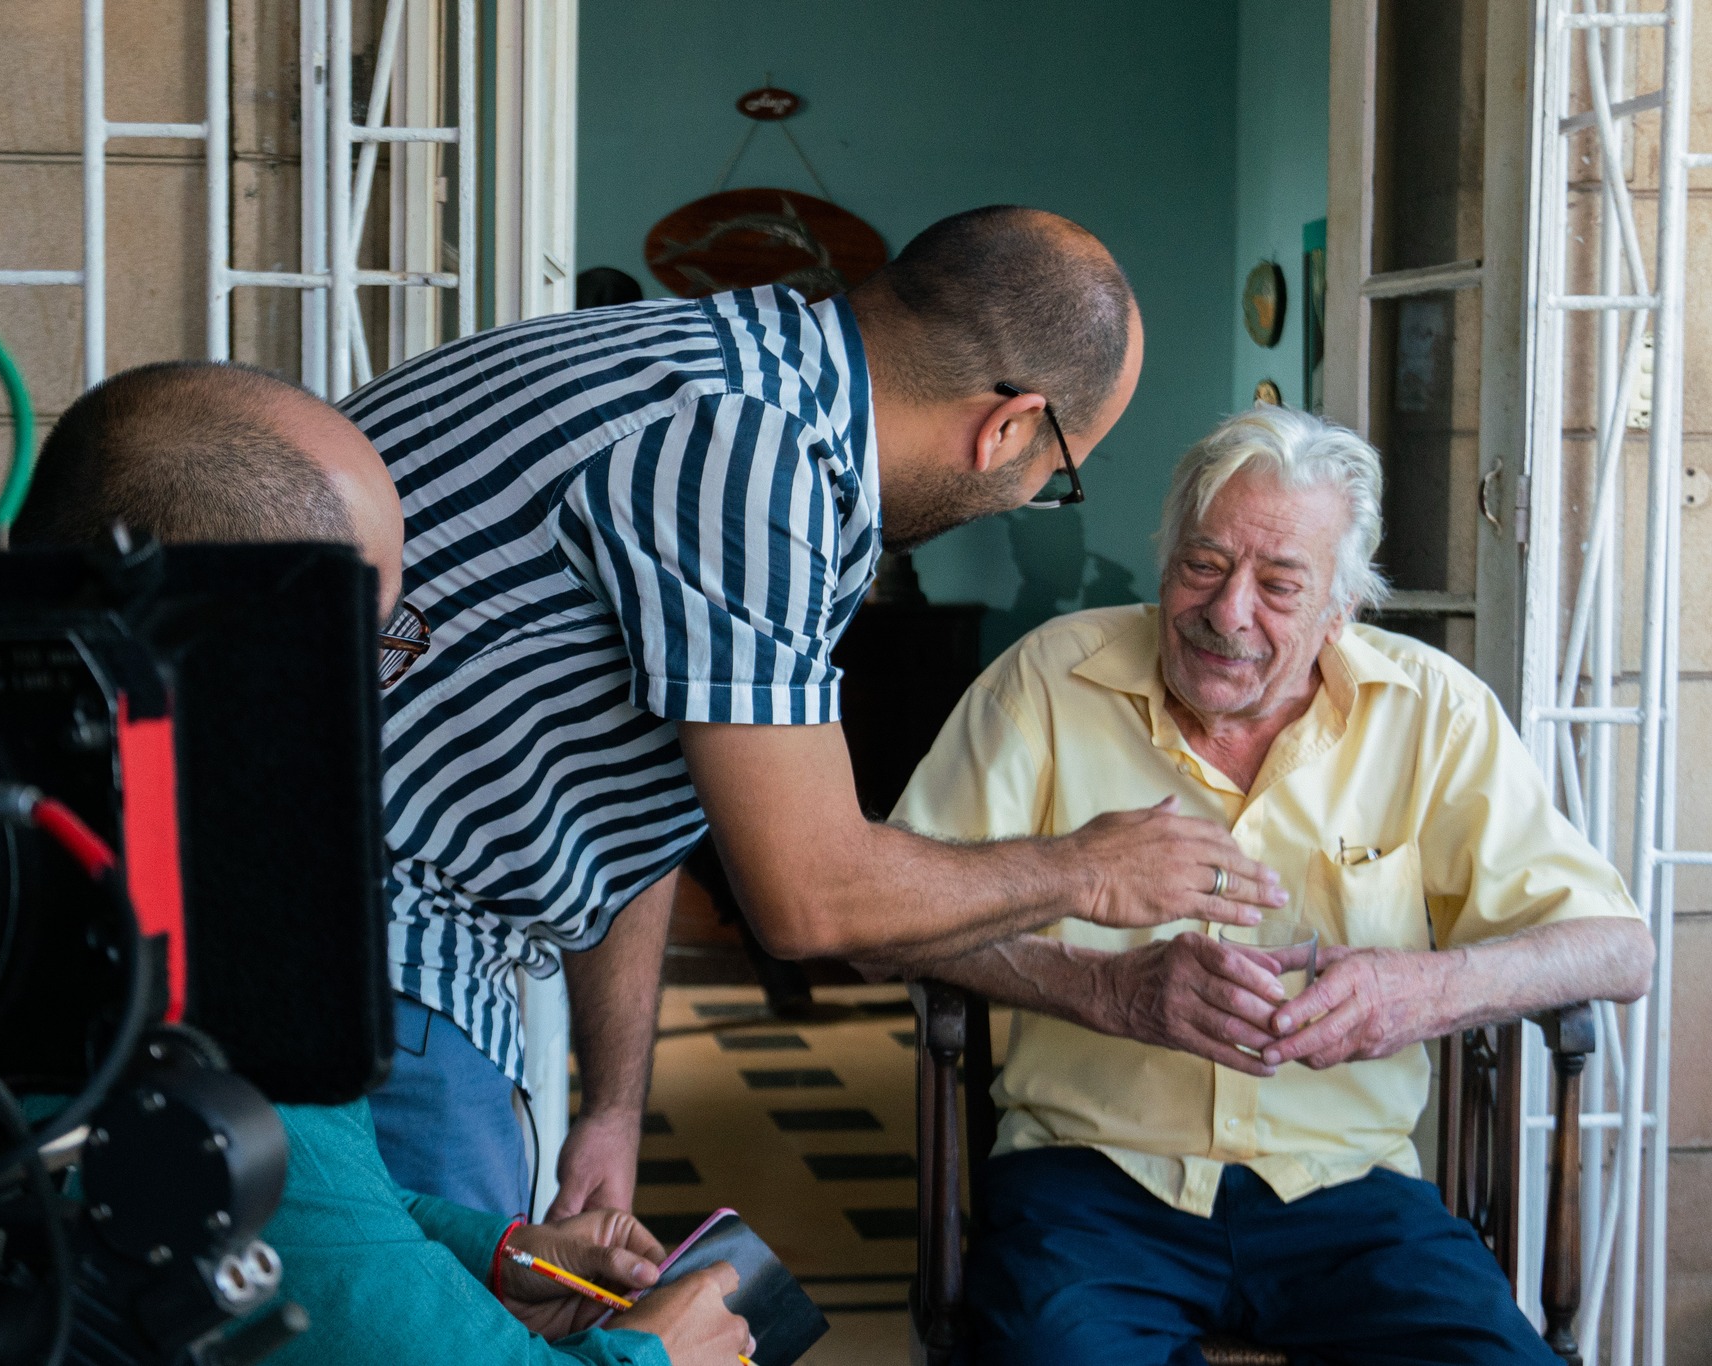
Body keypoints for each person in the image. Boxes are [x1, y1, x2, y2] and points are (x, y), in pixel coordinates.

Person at [344, 205, 1292, 1221]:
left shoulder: (748, 381)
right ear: (1006, 425)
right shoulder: (752, 454)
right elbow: (811, 899)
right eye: (1051, 477)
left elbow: (638, 787)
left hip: (386, 945)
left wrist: (612, 1106)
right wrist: (1091, 868)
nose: (1027, 496)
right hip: (369, 943)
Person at [14, 361, 754, 1366]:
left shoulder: (22, 856)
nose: (382, 685)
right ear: (232, 639)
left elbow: (298, 1200)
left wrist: (485, 1251)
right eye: (374, 637)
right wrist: (662, 1355)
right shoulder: (209, 944)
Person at [889, 406, 1654, 1364]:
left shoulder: (1434, 713)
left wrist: (1424, 991)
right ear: (1166, 558)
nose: (1228, 610)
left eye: (1280, 584)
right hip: (1091, 1185)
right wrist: (1105, 989)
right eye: (1204, 564)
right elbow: (885, 915)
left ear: (1342, 606)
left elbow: (1619, 948)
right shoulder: (1047, 682)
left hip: (1350, 1197)